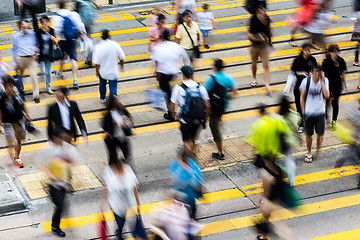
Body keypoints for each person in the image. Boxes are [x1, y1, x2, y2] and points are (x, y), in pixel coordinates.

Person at [37, 128, 78, 238]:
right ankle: (55, 226)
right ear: (55, 138)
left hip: (64, 182)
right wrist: (51, 175)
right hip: (53, 184)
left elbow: (73, 160)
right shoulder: (48, 149)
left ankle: (59, 218)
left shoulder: (67, 148)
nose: (63, 141)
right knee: (60, 205)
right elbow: (40, 163)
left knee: (62, 204)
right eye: (61, 138)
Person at [151, 29, 190, 121]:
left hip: (164, 75)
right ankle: (181, 110)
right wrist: (186, 70)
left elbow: (156, 62)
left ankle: (171, 114)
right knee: (176, 92)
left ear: (162, 37)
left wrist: (156, 75)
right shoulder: (177, 46)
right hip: (176, 73)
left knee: (167, 95)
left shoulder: (158, 48)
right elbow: (186, 58)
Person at [169, 66, 210, 151]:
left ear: (182, 74)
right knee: (192, 139)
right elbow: (208, 105)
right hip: (198, 118)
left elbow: (171, 105)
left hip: (185, 119)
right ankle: (192, 157)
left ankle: (189, 160)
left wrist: (173, 113)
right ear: (191, 74)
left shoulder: (178, 88)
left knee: (186, 141)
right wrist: (205, 118)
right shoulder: (200, 87)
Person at [101, 158, 141, 240]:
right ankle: (118, 234)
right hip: (116, 207)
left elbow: (135, 189)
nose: (123, 170)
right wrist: (102, 206)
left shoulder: (129, 174)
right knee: (121, 223)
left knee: (127, 221)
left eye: (123, 168)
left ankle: (120, 232)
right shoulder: (112, 179)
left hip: (126, 206)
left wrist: (138, 203)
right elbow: (105, 191)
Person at [205, 59, 237, 160]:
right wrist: (227, 98)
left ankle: (220, 152)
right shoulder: (228, 78)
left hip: (213, 108)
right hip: (222, 106)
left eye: (212, 65)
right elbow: (235, 91)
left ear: (215, 67)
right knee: (217, 122)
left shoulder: (211, 78)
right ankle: (219, 139)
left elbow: (206, 94)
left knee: (214, 128)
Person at [53, 0, 86, 89]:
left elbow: (56, 31)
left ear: (57, 6)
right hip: (72, 40)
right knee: (73, 59)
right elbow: (80, 25)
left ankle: (60, 72)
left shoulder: (56, 17)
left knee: (62, 57)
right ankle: (75, 80)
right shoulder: (72, 14)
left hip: (62, 40)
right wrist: (82, 34)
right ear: (66, 4)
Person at [0, 76, 31, 168]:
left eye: (10, 86)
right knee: (12, 141)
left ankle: (16, 157)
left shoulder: (17, 95)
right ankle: (13, 157)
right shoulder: (2, 97)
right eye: (7, 86)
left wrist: (27, 115)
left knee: (19, 140)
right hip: (7, 123)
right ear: (4, 87)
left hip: (19, 120)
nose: (9, 88)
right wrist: (0, 124)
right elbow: (0, 112)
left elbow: (23, 105)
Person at [300, 65, 330, 163]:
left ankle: (318, 149)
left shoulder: (325, 81)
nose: (318, 74)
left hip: (320, 112)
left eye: (319, 72)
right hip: (309, 113)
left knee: (320, 134)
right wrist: (303, 111)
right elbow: (301, 97)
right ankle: (309, 152)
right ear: (312, 72)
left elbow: (327, 96)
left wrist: (321, 81)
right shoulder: (306, 82)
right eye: (316, 72)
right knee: (309, 134)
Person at [169, 147, 203, 219]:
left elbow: (197, 177)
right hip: (180, 195)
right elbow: (173, 179)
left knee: (191, 211)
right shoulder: (175, 165)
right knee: (181, 214)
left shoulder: (191, 163)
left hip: (190, 195)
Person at [93, 29, 126, 103]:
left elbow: (97, 63)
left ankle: (102, 98)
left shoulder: (98, 47)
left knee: (102, 84)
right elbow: (121, 57)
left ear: (101, 37)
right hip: (113, 71)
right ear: (109, 36)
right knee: (113, 88)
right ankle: (112, 102)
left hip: (103, 71)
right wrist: (122, 67)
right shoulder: (115, 45)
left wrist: (97, 72)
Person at [11, 19, 40, 103]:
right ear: (20, 27)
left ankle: (36, 95)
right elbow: (13, 49)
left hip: (31, 58)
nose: (25, 29)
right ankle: (21, 93)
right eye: (23, 27)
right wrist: (15, 62)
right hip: (21, 58)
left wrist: (37, 53)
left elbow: (37, 45)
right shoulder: (16, 36)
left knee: (33, 76)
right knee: (19, 76)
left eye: (27, 27)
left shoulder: (33, 35)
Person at [291, 43, 317, 133]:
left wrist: (312, 74)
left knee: (310, 105)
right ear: (302, 50)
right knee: (299, 106)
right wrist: (301, 73)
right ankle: (301, 124)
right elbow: (294, 71)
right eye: (306, 50)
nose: (308, 52)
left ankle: (309, 123)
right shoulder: (298, 60)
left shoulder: (312, 59)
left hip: (310, 86)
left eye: (309, 50)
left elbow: (316, 70)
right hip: (299, 86)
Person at [246, 4, 272, 94]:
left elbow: (268, 30)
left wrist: (270, 40)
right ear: (258, 12)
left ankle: (267, 85)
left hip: (264, 45)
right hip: (254, 45)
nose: (264, 13)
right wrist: (259, 38)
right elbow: (249, 35)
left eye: (265, 11)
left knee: (266, 65)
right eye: (262, 11)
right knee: (254, 63)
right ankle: (254, 78)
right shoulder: (254, 20)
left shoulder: (267, 19)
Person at [102, 95, 133, 165]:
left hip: (122, 138)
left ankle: (126, 170)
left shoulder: (123, 111)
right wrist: (115, 122)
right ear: (112, 103)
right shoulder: (107, 115)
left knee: (127, 156)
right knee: (112, 158)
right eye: (117, 100)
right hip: (112, 140)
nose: (120, 102)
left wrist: (127, 122)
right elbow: (105, 127)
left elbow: (131, 123)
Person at [322, 44, 347, 131]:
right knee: (327, 103)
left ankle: (334, 122)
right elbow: (323, 75)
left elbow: (343, 73)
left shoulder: (341, 61)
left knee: (335, 104)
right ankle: (326, 117)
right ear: (330, 53)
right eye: (333, 52)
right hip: (328, 85)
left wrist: (346, 84)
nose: (334, 54)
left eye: (336, 52)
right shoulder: (326, 62)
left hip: (337, 85)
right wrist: (324, 86)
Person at [37, 15, 57, 95]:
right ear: (41, 23)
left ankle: (48, 88)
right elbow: (37, 43)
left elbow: (55, 43)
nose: (45, 23)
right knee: (42, 72)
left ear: (48, 22)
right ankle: (41, 85)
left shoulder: (52, 30)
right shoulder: (39, 32)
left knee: (48, 72)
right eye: (43, 22)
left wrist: (53, 40)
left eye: (46, 21)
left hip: (49, 54)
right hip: (41, 55)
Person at [75, 0, 97, 65]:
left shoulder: (79, 2)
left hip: (81, 24)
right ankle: (89, 59)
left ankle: (65, 55)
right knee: (89, 40)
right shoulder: (90, 1)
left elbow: (76, 12)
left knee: (73, 39)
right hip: (89, 23)